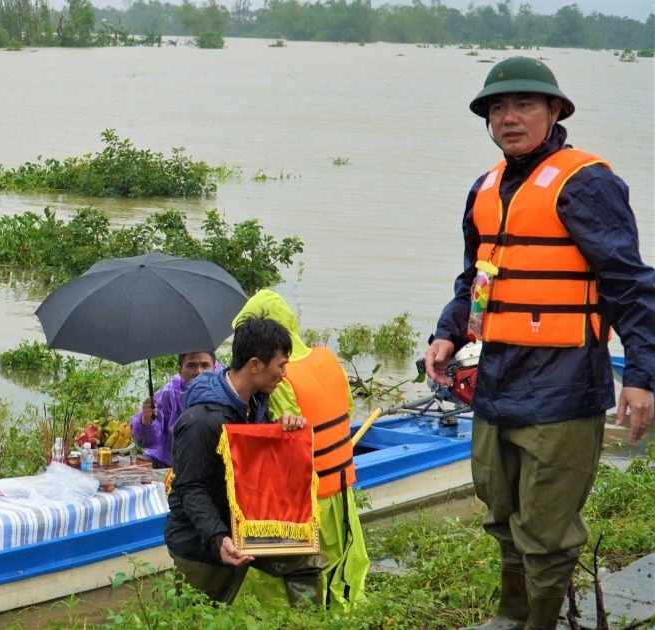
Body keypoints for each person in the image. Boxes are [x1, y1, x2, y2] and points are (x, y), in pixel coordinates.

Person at [423, 57, 655, 630]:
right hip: (497, 381)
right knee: (500, 508)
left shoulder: (587, 183)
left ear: (555, 111)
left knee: (546, 529)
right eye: (497, 107)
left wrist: (644, 377)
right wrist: (447, 334)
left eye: (524, 104)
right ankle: (511, 612)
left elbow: (630, 286)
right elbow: (476, 279)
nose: (509, 117)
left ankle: (540, 623)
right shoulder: (485, 188)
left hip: (564, 384)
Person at [164, 316, 325, 606]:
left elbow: (256, 459)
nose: (284, 374)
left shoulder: (255, 402)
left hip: (250, 528)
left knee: (306, 560)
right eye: (281, 365)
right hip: (202, 540)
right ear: (254, 365)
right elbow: (190, 488)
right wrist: (218, 538)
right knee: (200, 617)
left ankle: (311, 622)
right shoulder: (201, 421)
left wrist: (281, 428)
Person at [232, 290, 369, 612]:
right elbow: (347, 408)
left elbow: (286, 439)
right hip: (341, 489)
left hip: (305, 500)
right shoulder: (326, 358)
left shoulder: (278, 376)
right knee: (343, 566)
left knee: (296, 575)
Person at [129, 351, 219, 468]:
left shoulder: (224, 392)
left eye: (205, 365)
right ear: (180, 370)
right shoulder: (168, 394)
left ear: (214, 368)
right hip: (168, 465)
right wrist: (146, 422)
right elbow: (147, 442)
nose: (198, 372)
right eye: (191, 365)